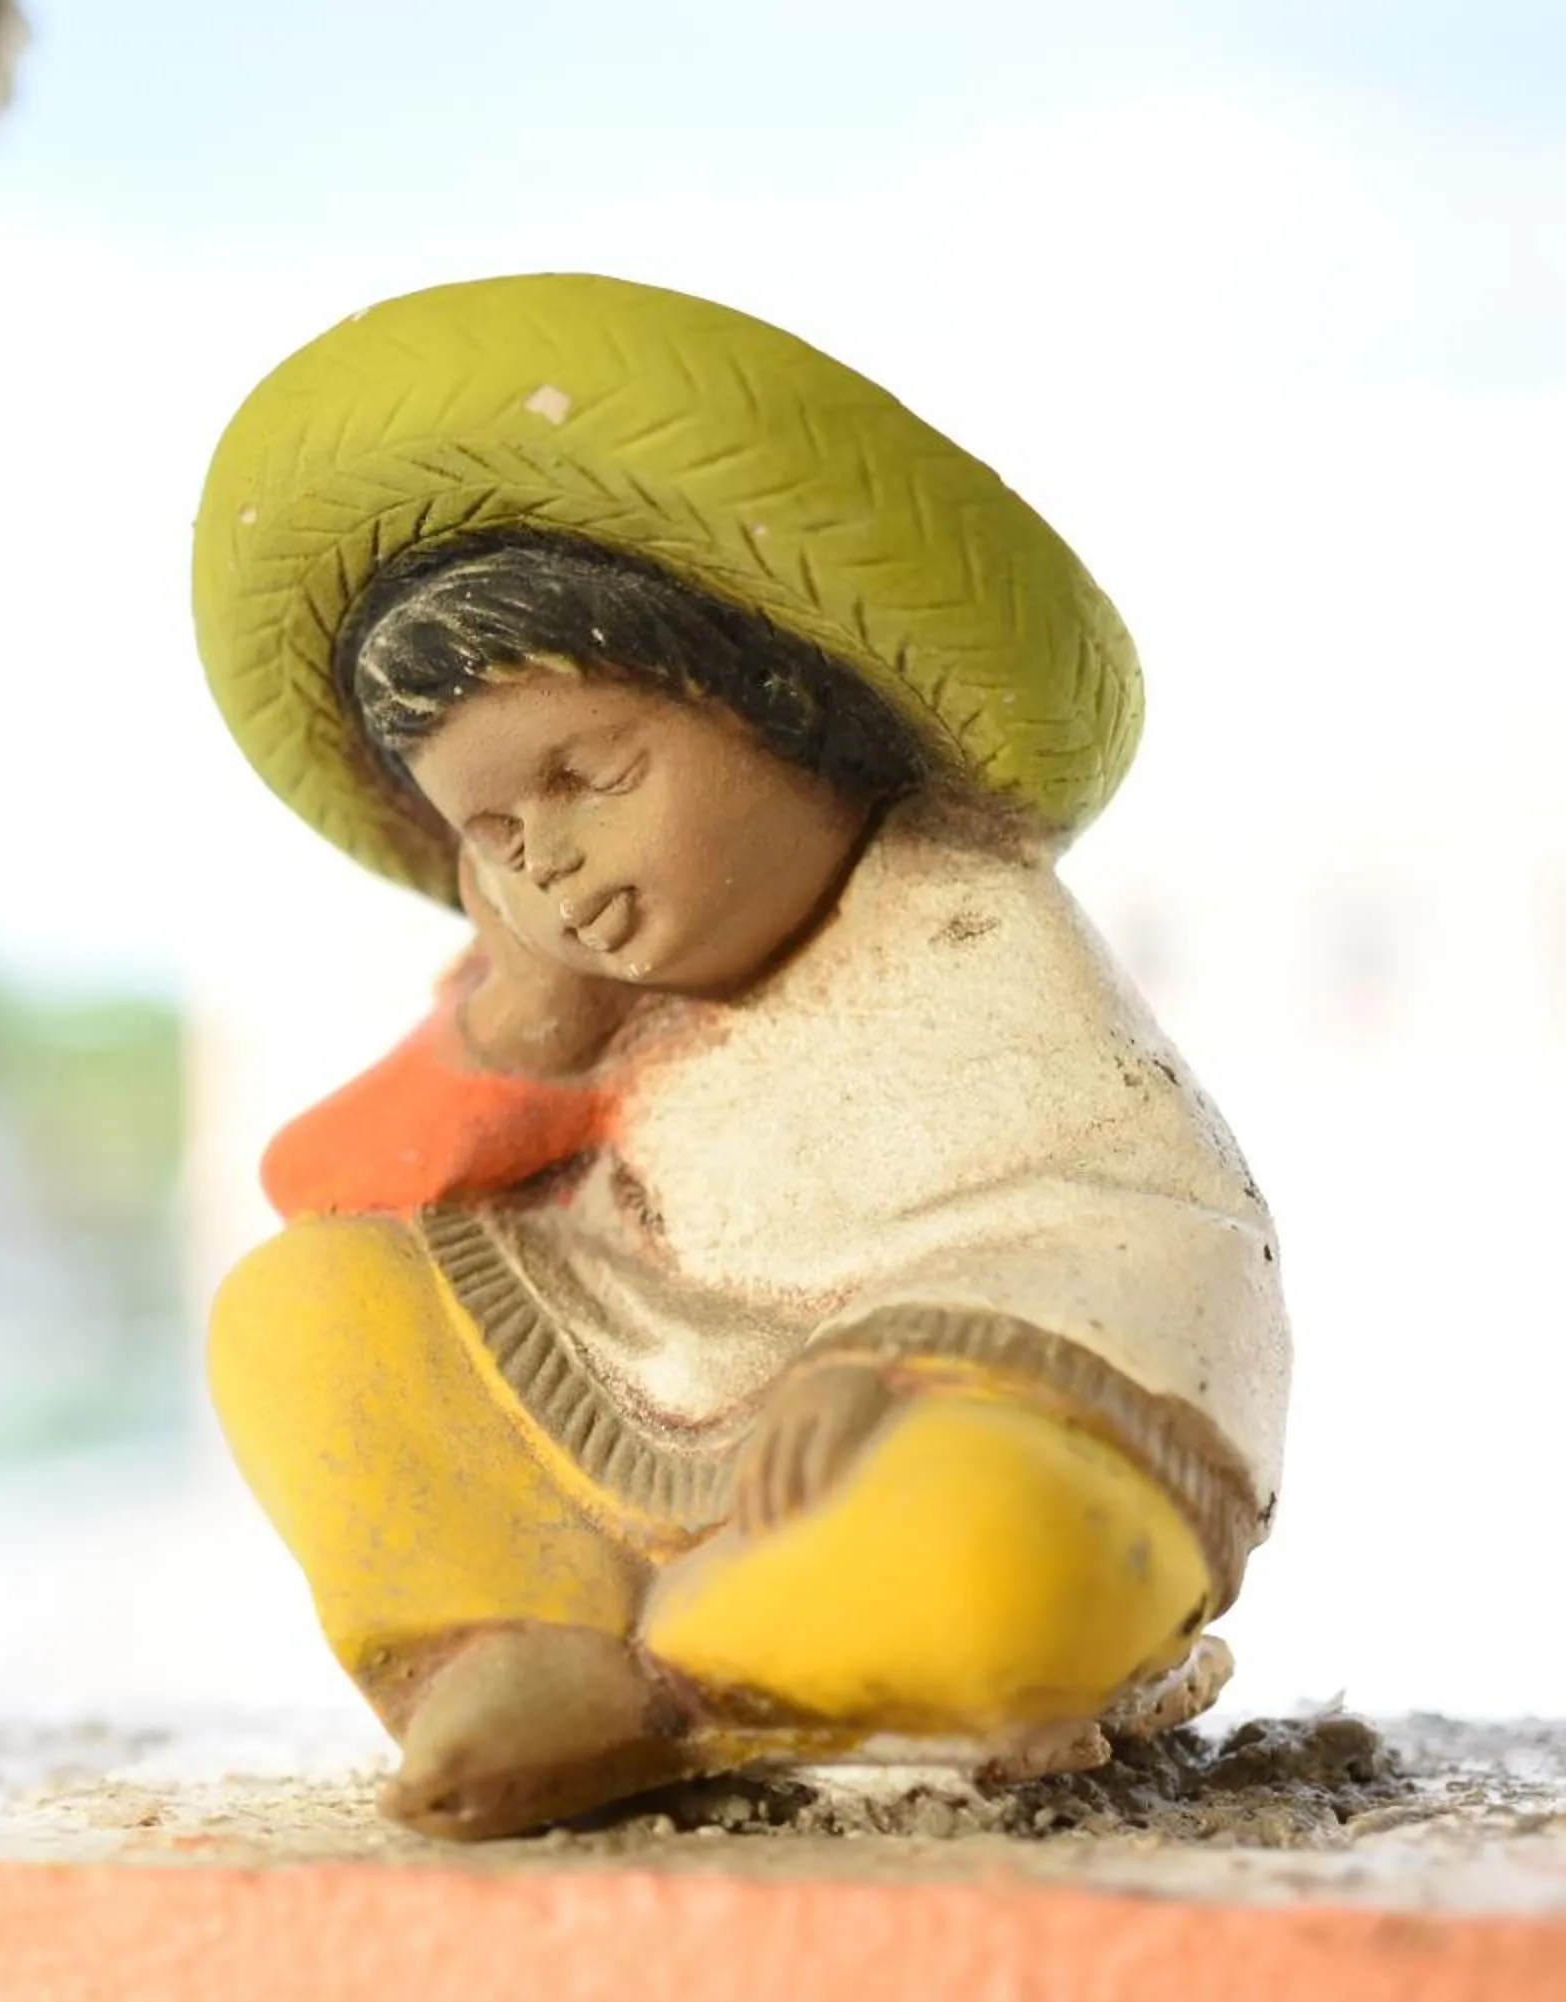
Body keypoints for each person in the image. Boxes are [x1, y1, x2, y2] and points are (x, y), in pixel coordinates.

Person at [191, 275, 1290, 1840]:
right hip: (624, 1378)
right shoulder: (559, 994)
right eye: (490, 834)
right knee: (293, 1306)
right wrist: (526, 1027)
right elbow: (322, 1186)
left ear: (780, 707)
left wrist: (887, 1357)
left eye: (590, 773)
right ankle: (518, 1641)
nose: (547, 860)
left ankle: (692, 1683)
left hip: (933, 1424)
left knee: (998, 1554)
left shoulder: (963, 927)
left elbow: (1134, 1228)